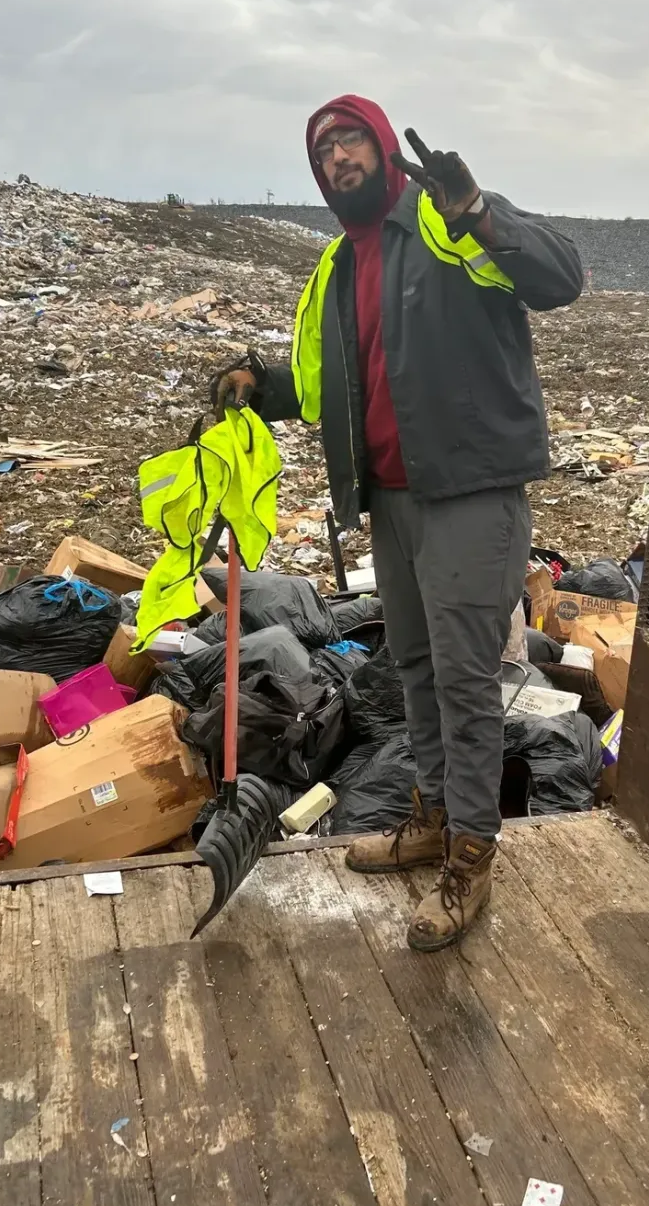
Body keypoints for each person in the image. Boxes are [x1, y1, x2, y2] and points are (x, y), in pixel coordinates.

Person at [215, 94, 582, 951]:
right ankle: (427, 816)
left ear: (382, 146)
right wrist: (256, 387)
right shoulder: (337, 268)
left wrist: (481, 212)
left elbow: (559, 277)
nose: (337, 158)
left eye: (348, 140)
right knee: (413, 666)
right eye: (322, 152)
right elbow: (320, 386)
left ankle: (471, 858)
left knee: (462, 681)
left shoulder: (446, 225)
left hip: (468, 492)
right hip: (391, 497)